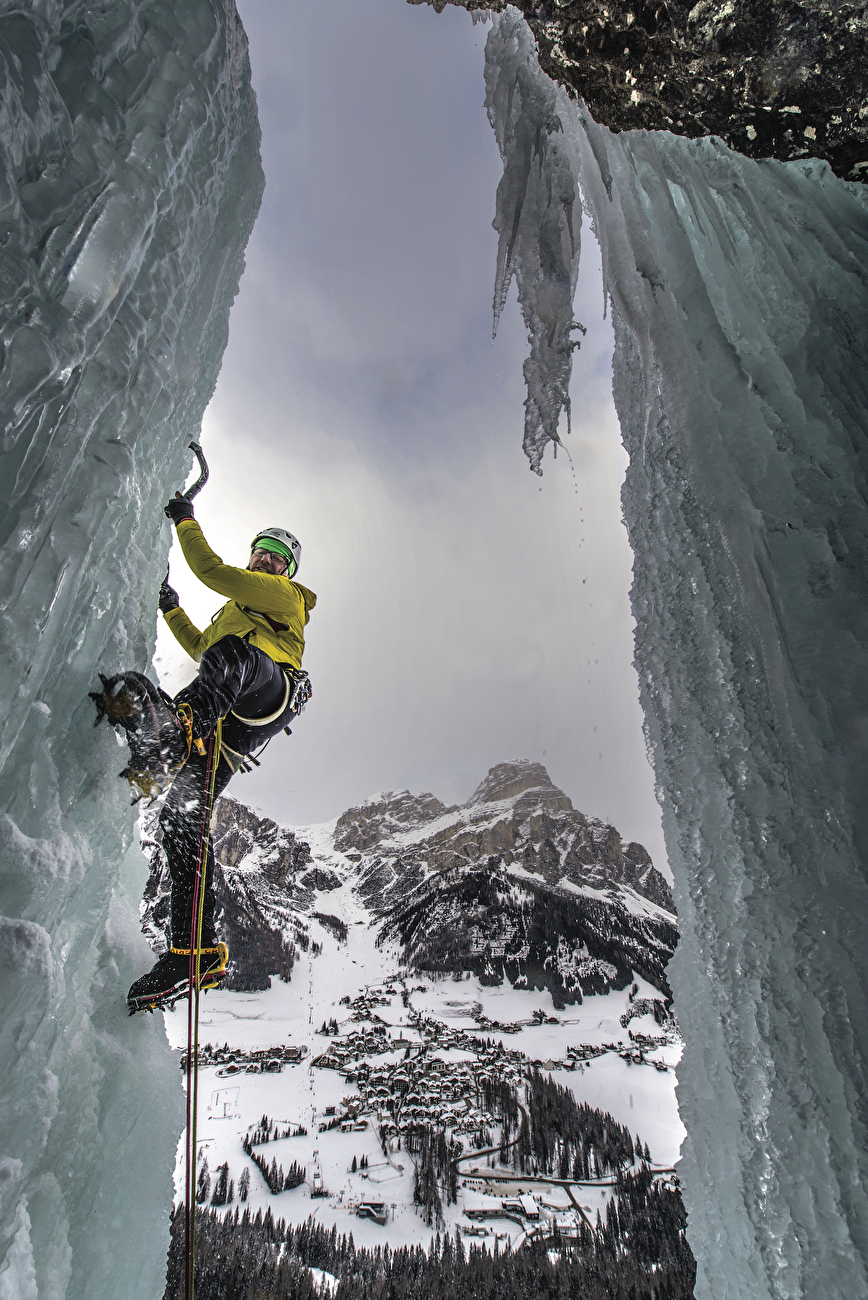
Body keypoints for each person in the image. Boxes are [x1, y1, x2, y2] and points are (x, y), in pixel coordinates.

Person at [92, 492, 316, 1012]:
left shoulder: (286, 598)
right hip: (230, 725)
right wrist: (170, 607)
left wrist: (185, 521)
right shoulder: (234, 614)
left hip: (268, 688)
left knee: (232, 654)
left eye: (276, 557)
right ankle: (193, 949)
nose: (266, 558)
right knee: (181, 818)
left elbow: (211, 570)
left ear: (286, 570)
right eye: (261, 550)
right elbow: (201, 648)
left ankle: (178, 728)